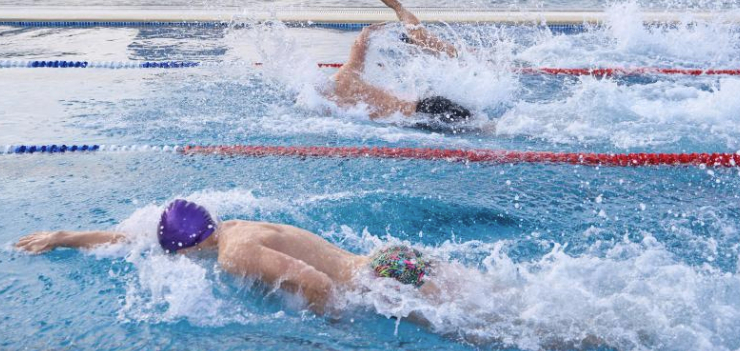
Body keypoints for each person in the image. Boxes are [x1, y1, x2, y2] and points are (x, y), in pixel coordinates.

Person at [14, 199, 434, 315]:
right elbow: (132, 235)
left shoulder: (234, 255)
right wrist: (64, 237)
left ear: (192, 248)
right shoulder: (231, 226)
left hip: (384, 285)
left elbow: (319, 284)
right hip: (389, 260)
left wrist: (340, 335)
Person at [326, 0, 472, 125]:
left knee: (479, 127)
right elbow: (366, 34)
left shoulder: (336, 102)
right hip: (427, 107)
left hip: (421, 113)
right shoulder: (348, 73)